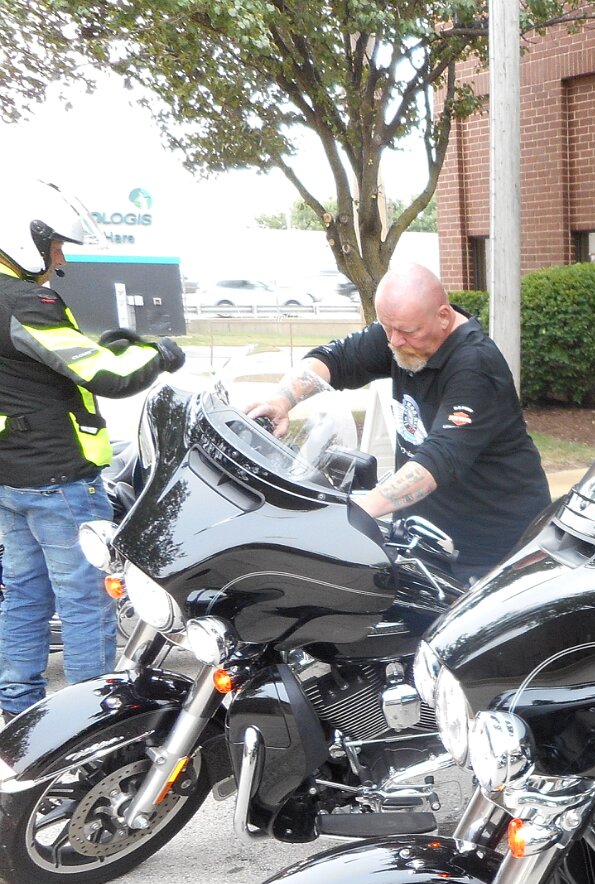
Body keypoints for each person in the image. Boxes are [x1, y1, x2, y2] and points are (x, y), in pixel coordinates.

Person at [0, 180, 185, 718]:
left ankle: (17, 706)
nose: (59, 260)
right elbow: (109, 377)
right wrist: (158, 353)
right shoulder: (26, 300)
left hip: (12, 476)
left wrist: (103, 345)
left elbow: (35, 364)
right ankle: (88, 718)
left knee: (25, 594)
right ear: (27, 238)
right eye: (56, 246)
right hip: (59, 479)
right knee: (85, 598)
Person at [244, 263, 549, 580]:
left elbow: (437, 460)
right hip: (428, 539)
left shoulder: (475, 365)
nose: (394, 341)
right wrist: (282, 399)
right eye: (386, 328)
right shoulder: (400, 331)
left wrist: (353, 514)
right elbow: (335, 358)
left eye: (407, 332)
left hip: (492, 548)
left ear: (443, 317)